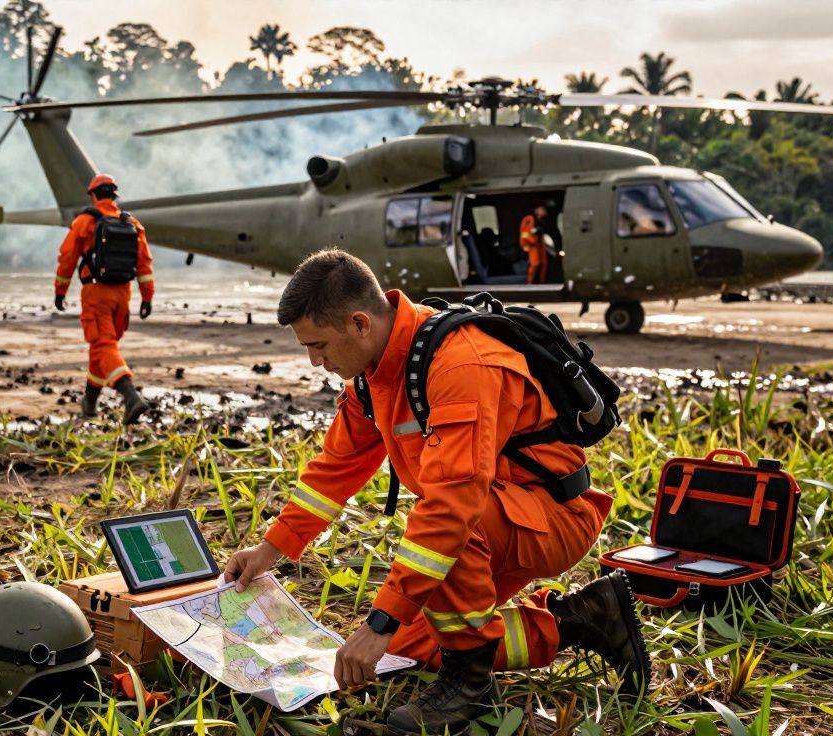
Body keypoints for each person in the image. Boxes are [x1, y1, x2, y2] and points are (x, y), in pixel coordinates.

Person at [223, 249, 648, 735]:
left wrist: (377, 622)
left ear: (360, 323)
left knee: (434, 551)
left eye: (318, 345)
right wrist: (271, 549)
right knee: (410, 647)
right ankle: (584, 617)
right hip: (496, 517)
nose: (315, 361)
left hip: (552, 516)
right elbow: (334, 470)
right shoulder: (373, 373)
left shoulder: (462, 364)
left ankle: (471, 684)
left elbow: (451, 509)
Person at [54, 174, 154, 424]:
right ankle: (89, 403)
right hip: (123, 295)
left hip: (96, 292)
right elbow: (144, 264)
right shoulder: (132, 223)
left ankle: (131, 397)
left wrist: (60, 291)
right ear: (114, 196)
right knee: (101, 349)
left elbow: (67, 257)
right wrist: (147, 297)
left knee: (103, 346)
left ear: (93, 195)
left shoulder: (85, 222)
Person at [518, 200, 557, 284]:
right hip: (532, 246)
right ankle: (529, 283)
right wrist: (534, 241)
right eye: (542, 209)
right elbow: (525, 234)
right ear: (536, 210)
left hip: (539, 245)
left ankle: (541, 283)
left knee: (544, 264)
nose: (544, 212)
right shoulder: (529, 219)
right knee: (535, 264)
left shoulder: (541, 221)